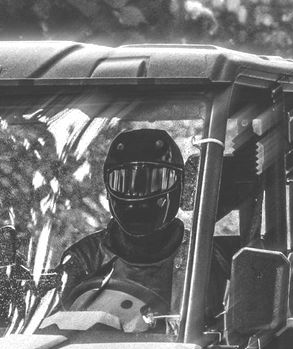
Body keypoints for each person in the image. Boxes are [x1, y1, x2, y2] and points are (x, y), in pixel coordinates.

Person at [55, 127, 194, 329]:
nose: (137, 195)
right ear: (107, 187)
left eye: (154, 181)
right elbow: (51, 327)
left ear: (181, 186)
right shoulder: (85, 258)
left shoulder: (200, 257)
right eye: (124, 181)